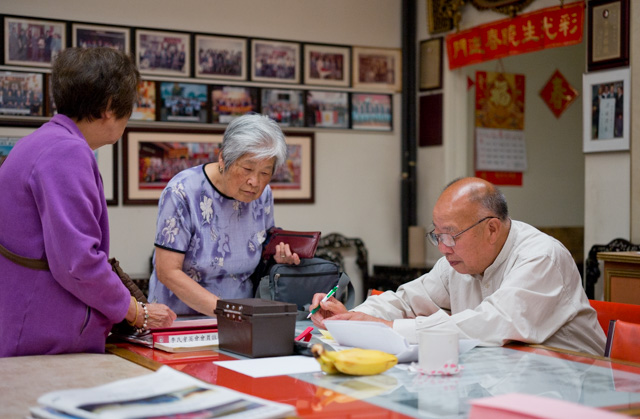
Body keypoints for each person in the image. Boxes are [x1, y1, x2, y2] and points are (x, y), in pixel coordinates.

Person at [0, 47, 176, 358]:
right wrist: (137, 312)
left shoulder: (38, 142)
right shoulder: (66, 152)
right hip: (47, 336)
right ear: (109, 106)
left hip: (25, 320)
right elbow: (78, 262)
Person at [310, 177, 606, 356]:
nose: (442, 247)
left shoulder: (541, 257)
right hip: (510, 380)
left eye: (451, 235)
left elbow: (491, 325)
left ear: (491, 229)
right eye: (437, 235)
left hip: (579, 390)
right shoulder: (457, 263)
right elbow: (406, 300)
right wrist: (352, 318)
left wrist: (388, 328)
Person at [148, 113, 300, 316]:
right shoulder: (182, 191)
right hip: (181, 320)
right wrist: (229, 313)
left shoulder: (263, 196)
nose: (255, 181)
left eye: (265, 173)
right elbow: (168, 272)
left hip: (243, 319)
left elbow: (262, 250)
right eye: (247, 169)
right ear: (223, 158)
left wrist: (279, 256)